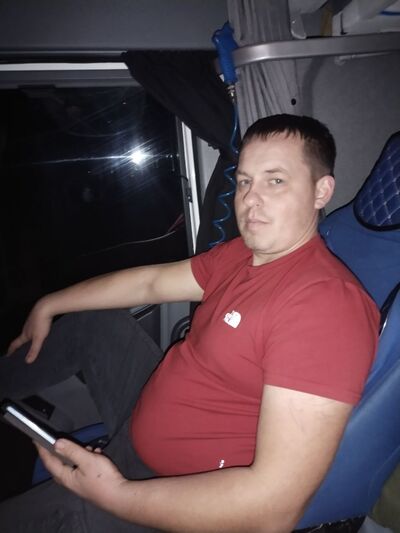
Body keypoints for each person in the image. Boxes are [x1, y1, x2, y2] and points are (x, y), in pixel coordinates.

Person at [0, 114, 379, 533]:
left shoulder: (324, 306)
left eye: (275, 181)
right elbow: (150, 283)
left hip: (170, 488)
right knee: (95, 322)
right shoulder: (242, 254)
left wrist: (115, 494)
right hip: (149, 410)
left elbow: (274, 508)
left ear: (321, 191)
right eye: (245, 181)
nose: (250, 199)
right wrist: (48, 305)